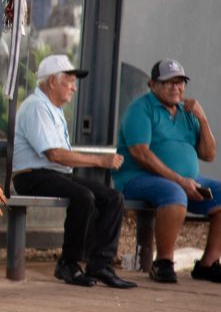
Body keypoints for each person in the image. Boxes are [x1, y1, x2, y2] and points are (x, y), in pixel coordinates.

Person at [12, 54, 136, 288]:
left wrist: (98, 161)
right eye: (69, 82)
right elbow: (54, 154)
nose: (74, 88)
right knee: (83, 196)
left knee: (113, 198)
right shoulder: (36, 106)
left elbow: (58, 158)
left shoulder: (54, 108)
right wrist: (100, 161)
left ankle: (100, 264)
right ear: (52, 82)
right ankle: (68, 264)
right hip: (31, 175)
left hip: (55, 174)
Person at [113, 59, 221, 284]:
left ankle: (208, 265)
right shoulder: (140, 109)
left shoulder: (187, 111)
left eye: (180, 82)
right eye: (169, 82)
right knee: (174, 194)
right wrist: (180, 181)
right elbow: (140, 153)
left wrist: (202, 118)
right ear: (152, 84)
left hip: (185, 181)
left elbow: (209, 154)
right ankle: (163, 262)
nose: (176, 88)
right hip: (139, 178)